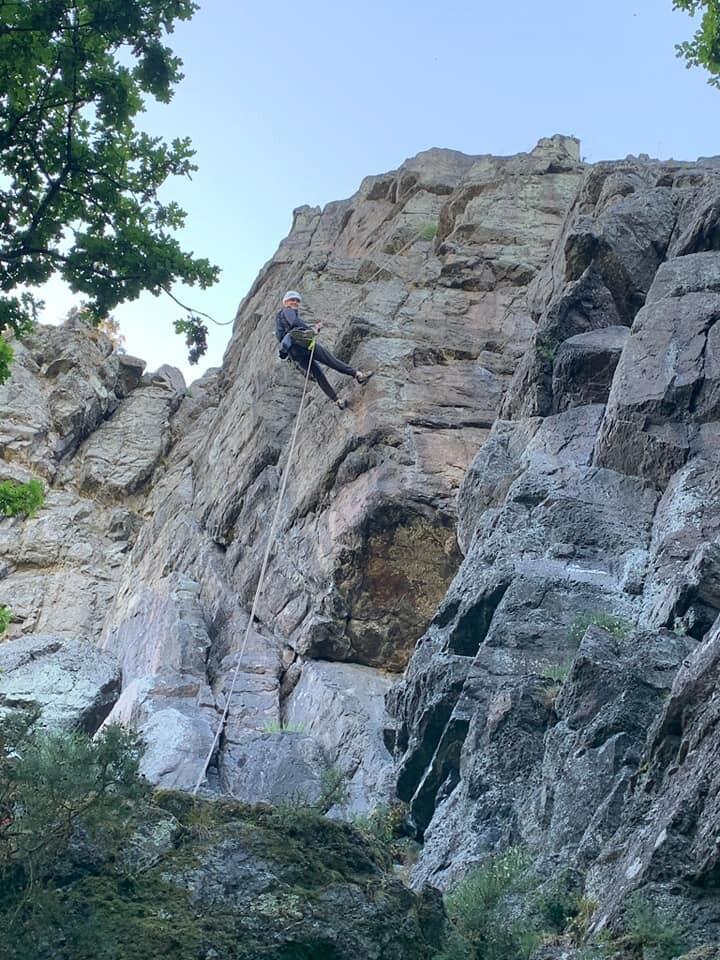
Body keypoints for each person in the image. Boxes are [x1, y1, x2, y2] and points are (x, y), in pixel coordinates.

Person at [275, 290, 373, 409]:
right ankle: (357, 375)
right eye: (292, 300)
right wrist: (312, 330)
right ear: (285, 302)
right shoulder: (288, 311)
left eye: (297, 300)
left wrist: (313, 329)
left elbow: (285, 334)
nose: (295, 302)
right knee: (330, 360)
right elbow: (295, 323)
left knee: (318, 375)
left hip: (295, 353)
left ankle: (337, 400)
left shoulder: (279, 319)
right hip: (304, 345)